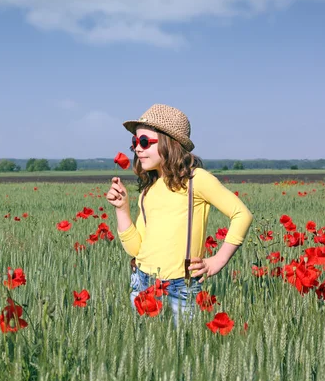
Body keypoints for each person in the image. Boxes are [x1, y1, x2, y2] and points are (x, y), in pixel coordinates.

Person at [106, 104, 253, 327]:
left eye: (144, 142)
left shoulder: (197, 181)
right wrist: (121, 209)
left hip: (181, 287)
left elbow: (242, 214)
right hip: (143, 283)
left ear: (169, 143)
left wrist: (218, 260)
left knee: (183, 352)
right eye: (135, 143)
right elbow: (136, 249)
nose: (137, 149)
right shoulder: (148, 191)